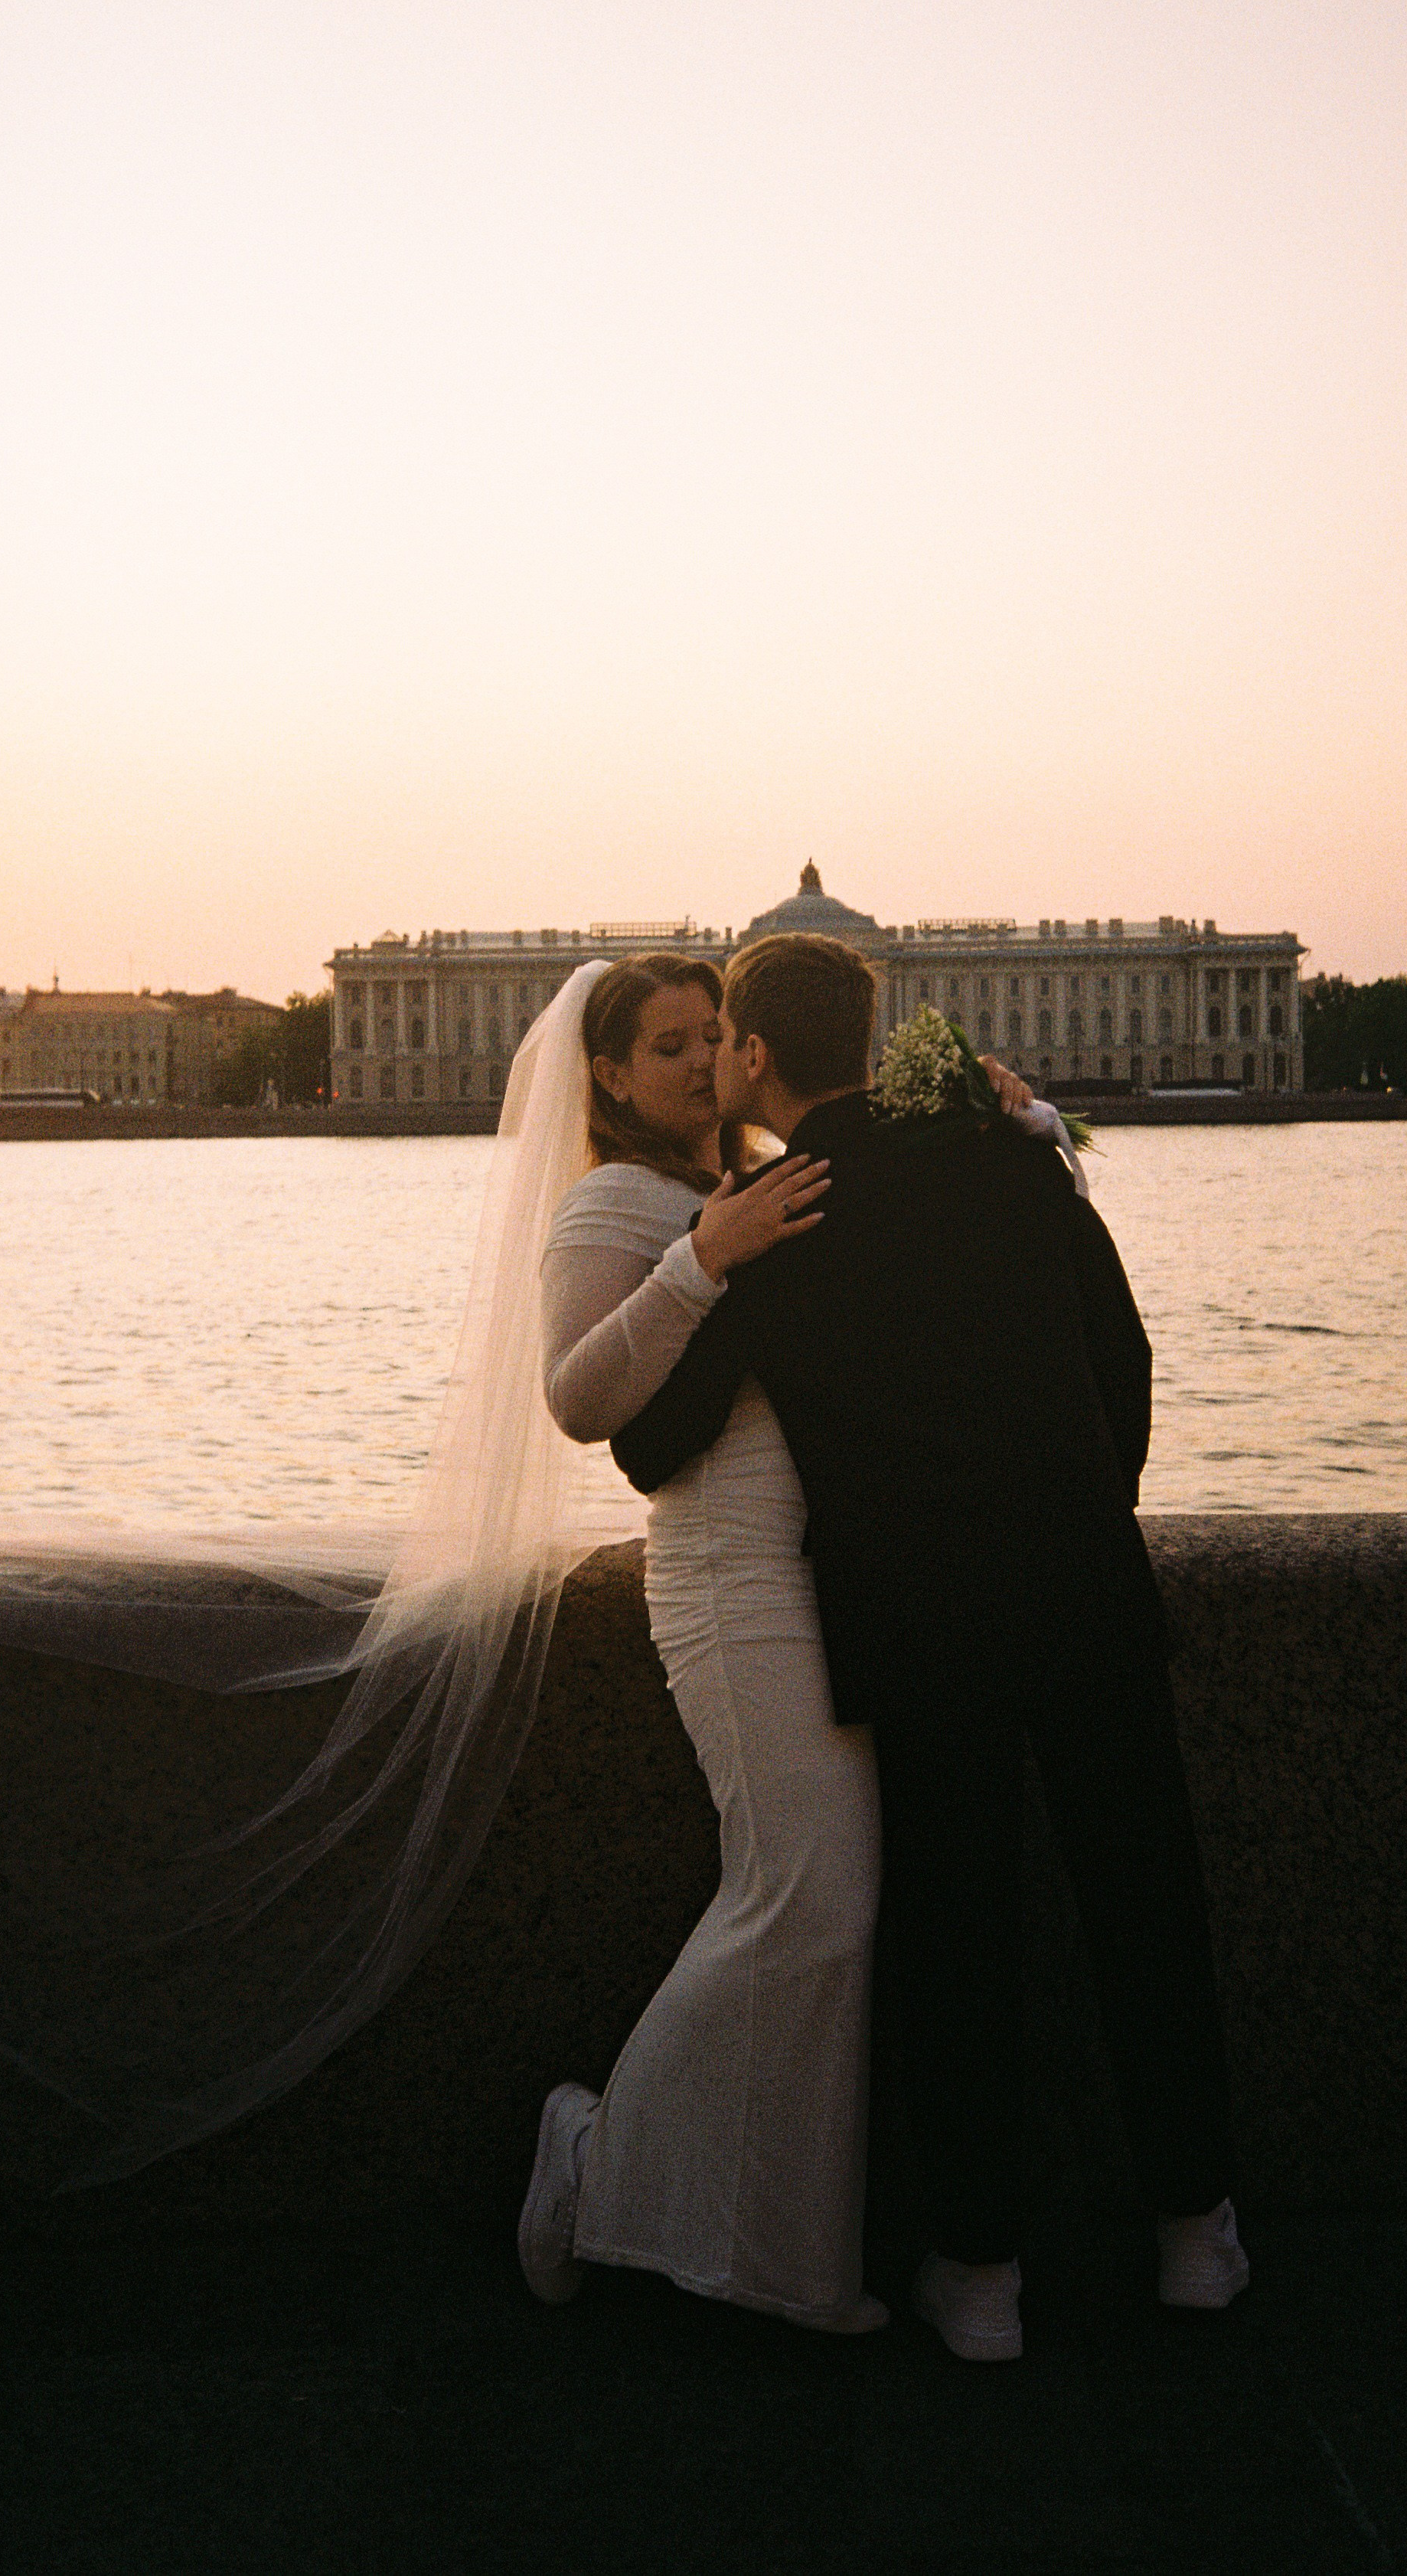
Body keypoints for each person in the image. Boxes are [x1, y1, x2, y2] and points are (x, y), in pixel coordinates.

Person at [608, 932, 1247, 2362]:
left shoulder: (774, 1211)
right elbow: (1122, 1359)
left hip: (920, 1624)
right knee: (1146, 1910)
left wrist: (702, 1264)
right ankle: (1196, 2235)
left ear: (757, 1055)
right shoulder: (1016, 1158)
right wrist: (1088, 1510)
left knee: (960, 1939)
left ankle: (980, 2280)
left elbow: (650, 1442)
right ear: (879, 1028)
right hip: (1083, 1589)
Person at [516, 950, 1038, 2334]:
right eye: (667, 1046)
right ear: (612, 1075)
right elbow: (576, 1397)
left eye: (711, 1037)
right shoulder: (613, 1201)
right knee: (804, 1894)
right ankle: (591, 2153)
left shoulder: (764, 1176)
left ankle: (790, 2262)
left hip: (827, 1576)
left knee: (828, 1908)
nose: (696, 1062)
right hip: (723, 1578)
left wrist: (1004, 1125)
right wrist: (699, 1262)